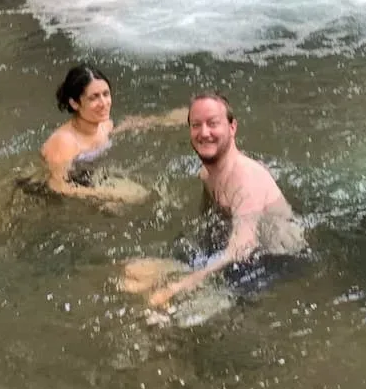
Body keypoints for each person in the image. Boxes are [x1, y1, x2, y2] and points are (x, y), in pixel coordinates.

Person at [123, 93, 307, 306]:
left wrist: (181, 284)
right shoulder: (207, 174)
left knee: (167, 307)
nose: (204, 133)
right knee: (133, 272)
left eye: (213, 123)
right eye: (196, 125)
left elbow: (243, 249)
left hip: (272, 262)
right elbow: (208, 224)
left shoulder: (246, 179)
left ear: (232, 127)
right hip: (233, 252)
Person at [39, 64, 186, 204]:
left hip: (87, 176)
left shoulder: (104, 125)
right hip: (47, 195)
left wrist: (168, 120)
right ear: (74, 103)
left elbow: (129, 125)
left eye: (106, 94)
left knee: (144, 194)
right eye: (94, 97)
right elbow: (57, 186)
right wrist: (110, 195)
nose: (104, 103)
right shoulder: (65, 142)